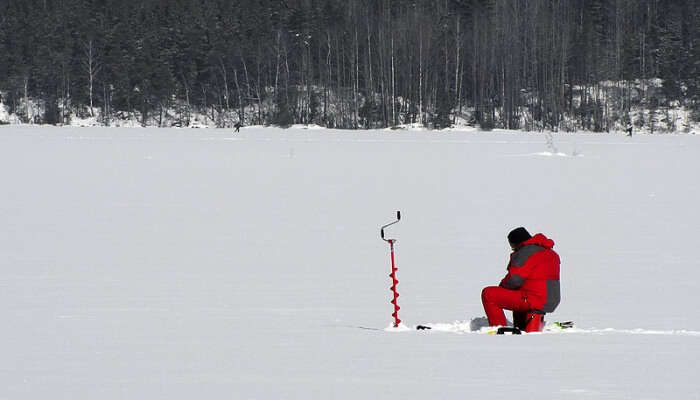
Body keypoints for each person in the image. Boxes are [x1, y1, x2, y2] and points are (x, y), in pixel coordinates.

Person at [481, 227, 560, 332]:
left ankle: (499, 329)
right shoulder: (550, 253)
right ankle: (523, 327)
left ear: (515, 243)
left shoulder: (526, 252)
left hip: (533, 299)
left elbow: (514, 279)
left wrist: (502, 289)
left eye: (512, 246)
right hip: (551, 300)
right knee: (519, 293)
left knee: (489, 294)